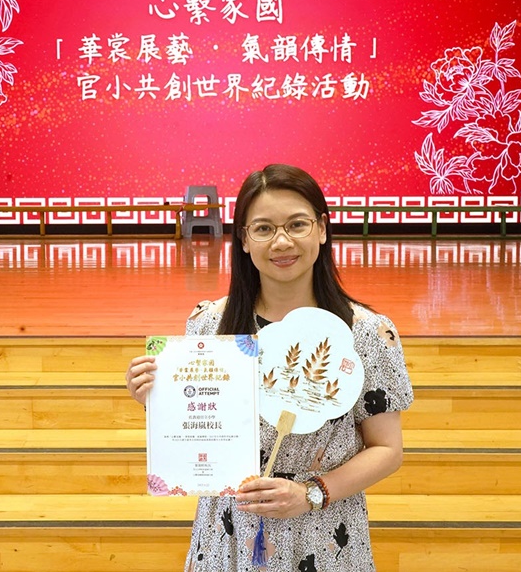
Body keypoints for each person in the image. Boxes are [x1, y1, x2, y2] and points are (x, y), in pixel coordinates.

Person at [125, 164, 413, 572]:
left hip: (323, 531)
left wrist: (310, 494)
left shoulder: (366, 333)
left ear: (322, 229)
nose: (281, 242)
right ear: (244, 239)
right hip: (227, 533)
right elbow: (198, 421)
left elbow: (387, 449)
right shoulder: (210, 325)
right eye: (263, 228)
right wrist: (156, 394)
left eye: (297, 224)